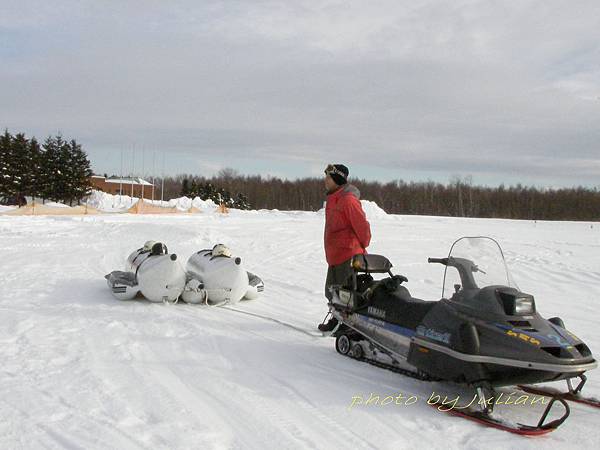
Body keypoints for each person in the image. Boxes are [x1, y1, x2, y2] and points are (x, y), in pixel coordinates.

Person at [318, 164, 371, 331]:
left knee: (346, 294)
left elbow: (363, 228)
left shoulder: (348, 200)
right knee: (332, 292)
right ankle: (337, 319)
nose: (325, 180)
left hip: (348, 254)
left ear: (337, 179)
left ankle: (348, 326)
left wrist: (359, 247)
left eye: (328, 177)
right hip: (335, 255)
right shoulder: (333, 198)